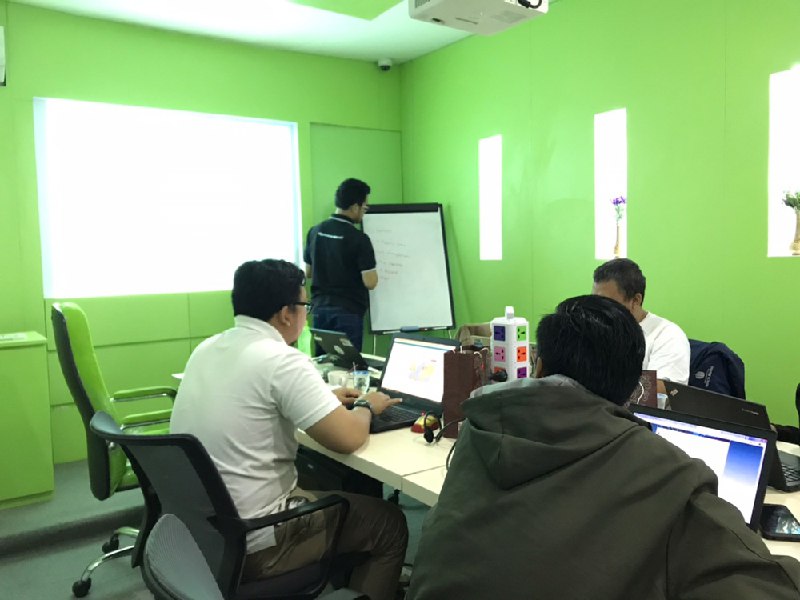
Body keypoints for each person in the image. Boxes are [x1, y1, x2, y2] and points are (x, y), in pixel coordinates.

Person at [407, 295, 800, 600]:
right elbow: (765, 585)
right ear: (633, 390)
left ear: (539, 366)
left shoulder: (481, 428)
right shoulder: (663, 469)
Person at [170, 259, 408, 600]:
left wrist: (321, 400)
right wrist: (367, 406)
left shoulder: (207, 348)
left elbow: (253, 401)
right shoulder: (281, 360)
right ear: (286, 313)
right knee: (388, 523)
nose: (306, 315)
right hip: (258, 540)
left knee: (325, 482)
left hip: (204, 534)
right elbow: (349, 438)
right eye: (305, 306)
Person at [304, 177, 377, 352]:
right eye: (364, 207)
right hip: (348, 312)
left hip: (320, 310)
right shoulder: (359, 239)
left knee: (323, 362)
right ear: (355, 206)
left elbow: (308, 272)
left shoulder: (315, 231)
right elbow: (370, 282)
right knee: (349, 364)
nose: (364, 212)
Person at [592, 257, 690, 386]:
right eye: (595, 301)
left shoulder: (667, 336)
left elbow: (660, 390)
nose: (599, 309)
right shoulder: (596, 331)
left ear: (636, 300)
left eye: (607, 303)